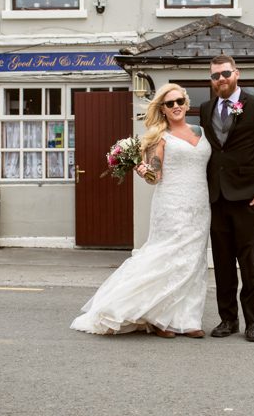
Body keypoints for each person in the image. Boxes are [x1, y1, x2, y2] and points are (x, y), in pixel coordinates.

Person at [70, 83, 211, 338]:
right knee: (166, 260)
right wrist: (144, 171)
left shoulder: (200, 131)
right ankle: (158, 319)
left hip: (200, 206)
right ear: (163, 109)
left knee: (193, 261)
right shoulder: (159, 137)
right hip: (171, 205)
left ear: (187, 104)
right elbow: (155, 177)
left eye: (179, 101)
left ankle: (187, 320)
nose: (176, 106)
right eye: (169, 103)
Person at [199, 54, 254, 342]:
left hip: (249, 198)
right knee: (222, 263)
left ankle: (253, 322)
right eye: (215, 76)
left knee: (248, 262)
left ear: (237, 73)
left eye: (225, 73)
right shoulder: (206, 108)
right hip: (217, 198)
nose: (220, 79)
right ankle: (228, 319)